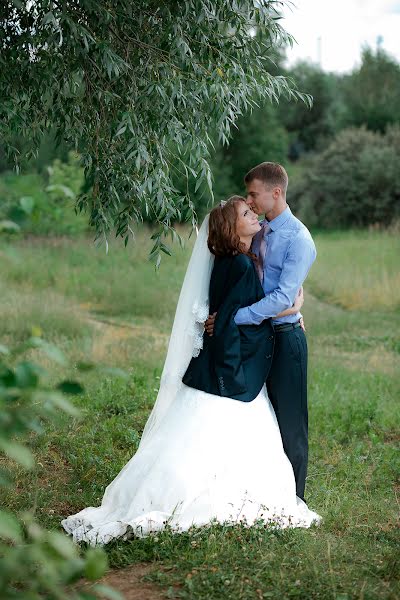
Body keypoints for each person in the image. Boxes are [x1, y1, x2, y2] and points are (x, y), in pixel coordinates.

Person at [61, 196, 320, 546]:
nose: (253, 214)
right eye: (246, 213)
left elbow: (227, 315)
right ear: (233, 228)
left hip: (227, 369)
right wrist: (287, 315)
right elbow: (230, 325)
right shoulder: (241, 266)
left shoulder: (228, 261)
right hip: (234, 374)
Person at [206, 163, 316, 502]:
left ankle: (295, 499)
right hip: (254, 340)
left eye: (254, 194)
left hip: (284, 339)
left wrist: (234, 317)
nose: (250, 201)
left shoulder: (298, 239)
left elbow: (284, 296)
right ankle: (256, 490)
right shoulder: (257, 230)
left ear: (275, 192)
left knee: (290, 422)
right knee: (256, 417)